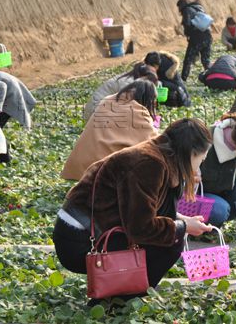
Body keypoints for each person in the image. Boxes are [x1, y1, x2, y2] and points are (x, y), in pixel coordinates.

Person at [53, 118, 213, 300]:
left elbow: (144, 208)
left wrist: (182, 219)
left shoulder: (159, 155)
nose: (200, 165)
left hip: (90, 230)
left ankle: (120, 295)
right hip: (78, 241)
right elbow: (141, 229)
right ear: (191, 153)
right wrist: (183, 227)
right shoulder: (149, 164)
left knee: (170, 234)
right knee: (170, 242)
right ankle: (119, 301)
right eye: (202, 159)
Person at [62, 80, 159, 181]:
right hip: (101, 171)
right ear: (148, 98)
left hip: (79, 167)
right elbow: (154, 143)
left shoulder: (107, 101)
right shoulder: (138, 111)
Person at [83, 63, 158, 121]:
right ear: (143, 76)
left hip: (98, 109)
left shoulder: (130, 79)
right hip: (95, 112)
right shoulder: (129, 84)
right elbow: (133, 108)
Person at [177, 0, 212, 81]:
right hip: (208, 36)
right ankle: (211, 77)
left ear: (181, 5)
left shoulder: (186, 10)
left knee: (188, 60)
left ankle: (183, 79)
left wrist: (187, 33)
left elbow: (187, 24)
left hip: (197, 38)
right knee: (206, 60)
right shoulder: (199, 8)